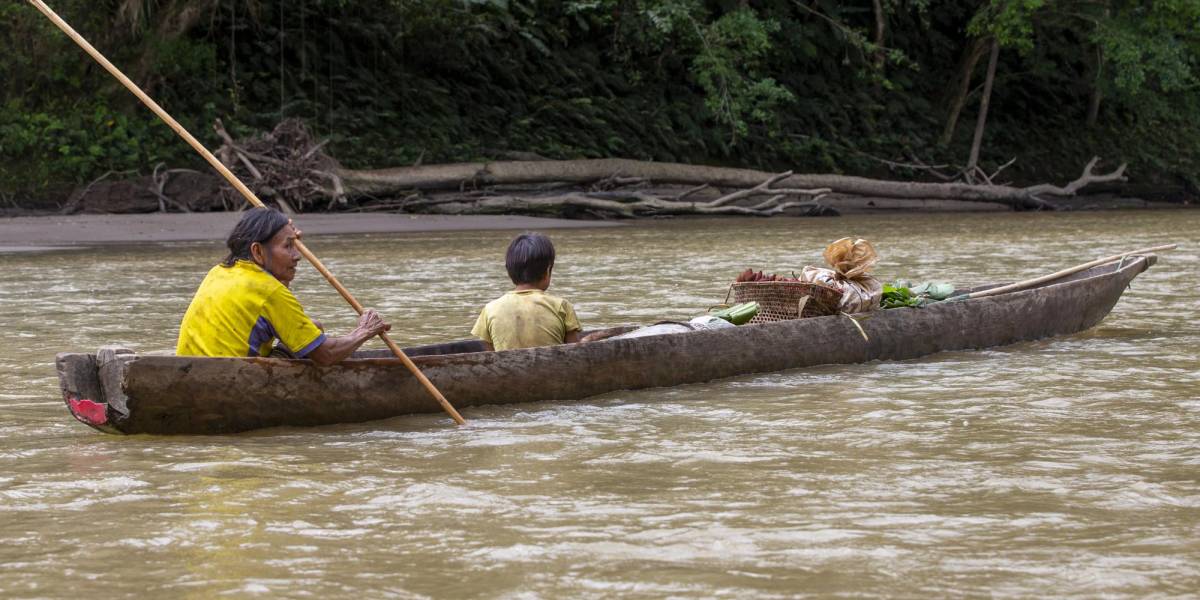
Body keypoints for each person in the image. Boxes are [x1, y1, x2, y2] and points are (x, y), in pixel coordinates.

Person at [176, 207, 390, 365]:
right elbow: (326, 355)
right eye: (288, 246)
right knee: (317, 344)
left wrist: (283, 230)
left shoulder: (219, 272)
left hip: (191, 368)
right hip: (229, 378)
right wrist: (364, 331)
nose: (297, 256)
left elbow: (279, 307)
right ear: (258, 252)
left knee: (312, 328)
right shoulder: (270, 292)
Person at [471, 232, 582, 351]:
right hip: (551, 368)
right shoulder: (562, 306)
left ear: (509, 272)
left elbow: (490, 355)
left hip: (508, 369)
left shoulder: (489, 309)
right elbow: (575, 353)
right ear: (547, 271)